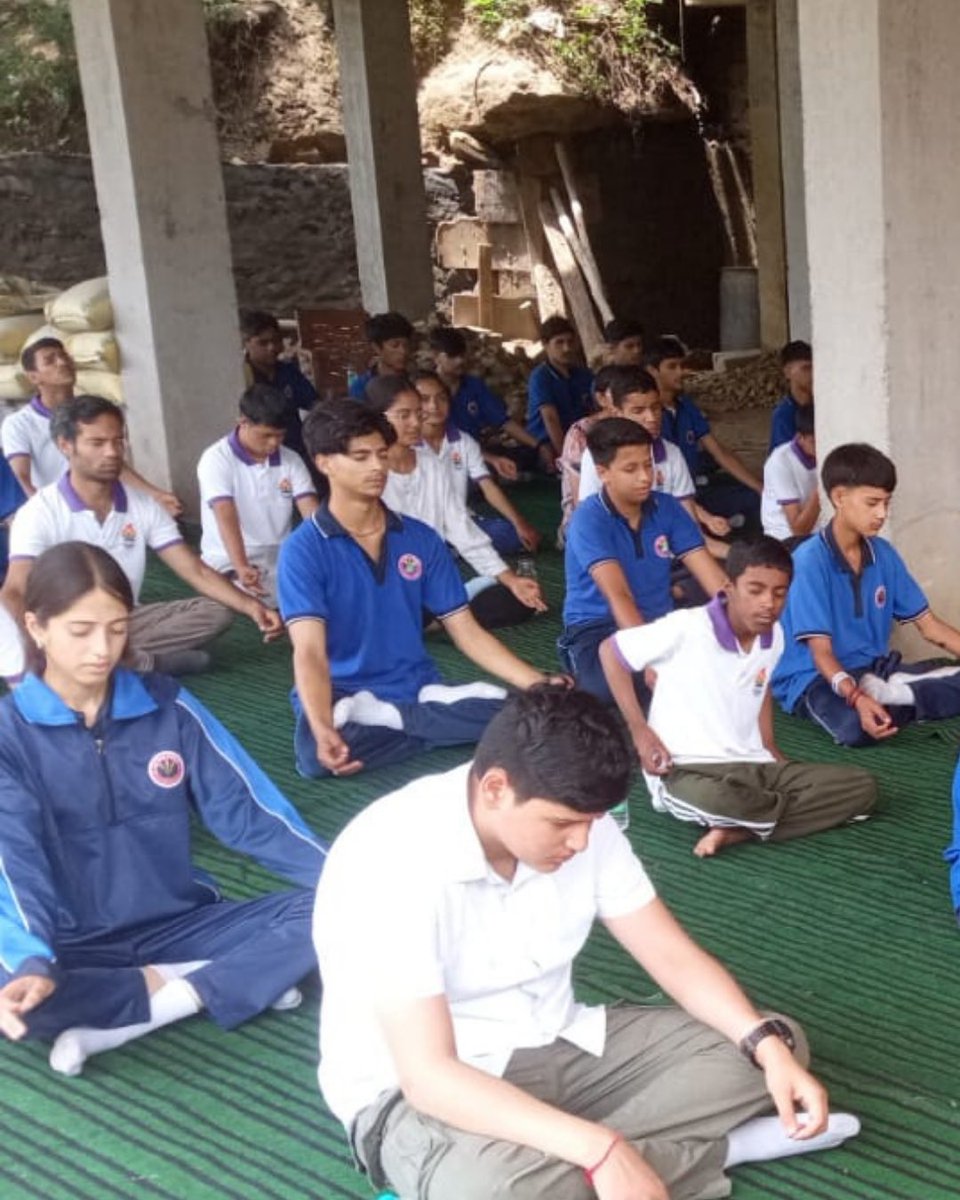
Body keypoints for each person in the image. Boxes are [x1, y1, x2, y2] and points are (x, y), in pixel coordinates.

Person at [314, 685, 860, 1200]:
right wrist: (599, 1147)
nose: (581, 841)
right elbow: (429, 1075)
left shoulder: (585, 827)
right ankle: (713, 1151)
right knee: (495, 1191)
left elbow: (671, 956)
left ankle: (593, 1163)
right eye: (563, 824)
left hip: (559, 1041)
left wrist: (763, 1044)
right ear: (496, 789)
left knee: (773, 1045)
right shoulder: (389, 858)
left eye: (593, 822)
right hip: (414, 1096)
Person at [0, 542, 326, 1077]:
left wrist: (346, 879)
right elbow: (14, 867)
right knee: (17, 990)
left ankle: (167, 998)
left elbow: (250, 813)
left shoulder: (166, 705)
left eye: (117, 628)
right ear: (36, 628)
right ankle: (225, 978)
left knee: (329, 911)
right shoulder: (10, 736)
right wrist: (31, 963)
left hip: (181, 923)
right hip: (73, 943)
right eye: (81, 631)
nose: (102, 649)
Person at [276, 402, 568, 779]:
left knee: (538, 714)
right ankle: (430, 724)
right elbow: (310, 652)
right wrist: (321, 727)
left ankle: (397, 719)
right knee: (314, 756)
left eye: (382, 454)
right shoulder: (303, 550)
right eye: (360, 457)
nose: (377, 467)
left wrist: (537, 683)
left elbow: (465, 629)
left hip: (414, 688)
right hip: (341, 694)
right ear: (324, 462)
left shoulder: (418, 537)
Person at [599, 537, 876, 857]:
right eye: (755, 590)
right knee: (725, 801)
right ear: (729, 588)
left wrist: (769, 747)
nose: (768, 603)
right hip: (687, 771)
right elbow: (611, 652)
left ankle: (740, 829)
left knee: (862, 787)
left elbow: (761, 689)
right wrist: (639, 730)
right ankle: (751, 817)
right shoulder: (687, 627)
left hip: (755, 766)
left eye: (779, 593)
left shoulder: (774, 637)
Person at [1, 395, 283, 680]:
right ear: (66, 446)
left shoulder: (143, 507)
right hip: (62, 625)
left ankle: (109, 661)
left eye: (118, 441)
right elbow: (13, 592)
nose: (112, 452)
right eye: (97, 443)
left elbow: (194, 570)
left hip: (124, 619)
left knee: (217, 612)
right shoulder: (40, 512)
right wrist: (35, 644)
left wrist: (252, 607)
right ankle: (144, 663)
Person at [772, 442, 960, 746]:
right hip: (815, 679)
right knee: (855, 729)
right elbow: (821, 653)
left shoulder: (883, 554)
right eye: (872, 503)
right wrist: (857, 697)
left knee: (882, 709)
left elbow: (932, 628)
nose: (882, 514)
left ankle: (897, 692)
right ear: (839, 497)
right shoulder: (808, 562)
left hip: (873, 669)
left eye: (886, 503)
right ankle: (903, 693)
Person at [560, 418, 726, 704]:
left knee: (715, 668)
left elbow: (712, 576)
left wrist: (750, 628)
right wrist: (647, 658)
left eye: (648, 465)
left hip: (658, 621)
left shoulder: (667, 507)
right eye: (631, 469)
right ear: (603, 473)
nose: (645, 477)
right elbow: (619, 596)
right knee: (606, 689)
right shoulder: (589, 518)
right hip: (597, 627)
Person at [368, 375, 546, 630]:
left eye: (418, 414)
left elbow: (461, 527)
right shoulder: (368, 473)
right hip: (384, 584)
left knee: (518, 600)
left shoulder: (430, 465)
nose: (416, 422)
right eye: (404, 415)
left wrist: (510, 580)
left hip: (428, 582)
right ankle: (438, 616)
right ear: (379, 418)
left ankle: (436, 616)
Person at [4, 336, 182, 514]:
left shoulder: (91, 414)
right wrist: (42, 512)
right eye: (50, 361)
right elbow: (21, 477)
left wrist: (155, 495)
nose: (62, 362)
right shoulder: (19, 424)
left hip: (103, 507)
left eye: (64, 356)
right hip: (57, 513)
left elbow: (113, 464)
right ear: (33, 377)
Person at [197, 383, 319, 607]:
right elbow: (226, 516)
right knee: (235, 598)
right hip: (227, 559)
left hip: (279, 557)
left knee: (320, 587)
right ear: (243, 422)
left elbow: (311, 511)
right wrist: (241, 566)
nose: (274, 443)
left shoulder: (291, 459)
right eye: (266, 435)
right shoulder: (216, 459)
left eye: (280, 436)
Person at [413, 370, 540, 557]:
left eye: (441, 398)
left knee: (511, 535)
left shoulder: (462, 440)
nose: (434, 406)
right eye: (424, 399)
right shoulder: (402, 443)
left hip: (457, 523)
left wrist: (520, 523)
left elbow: (488, 486)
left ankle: (452, 548)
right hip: (416, 526)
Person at [647, 335, 762, 529]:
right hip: (669, 497)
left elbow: (720, 452)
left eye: (682, 366)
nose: (681, 372)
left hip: (694, 487)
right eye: (672, 366)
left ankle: (721, 525)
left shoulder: (686, 406)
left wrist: (761, 488)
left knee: (752, 493)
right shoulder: (649, 417)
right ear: (652, 371)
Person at [428, 326, 546, 477]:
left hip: (478, 453)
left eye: (462, 355)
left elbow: (503, 421)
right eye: (452, 356)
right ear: (436, 356)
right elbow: (442, 441)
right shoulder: (425, 390)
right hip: (445, 457)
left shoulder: (473, 385)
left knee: (526, 456)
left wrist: (539, 445)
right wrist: (492, 460)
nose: (460, 361)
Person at [241, 310, 320, 484]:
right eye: (263, 343)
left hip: (296, 446)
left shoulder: (288, 371)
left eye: (276, 341)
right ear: (246, 343)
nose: (272, 348)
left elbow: (313, 403)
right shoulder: (242, 376)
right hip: (262, 451)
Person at [557, 365, 619, 545]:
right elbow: (582, 505)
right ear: (601, 398)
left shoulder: (638, 430)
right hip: (587, 520)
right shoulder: (581, 433)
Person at [525, 316, 593, 463]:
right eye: (559, 343)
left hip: (578, 438)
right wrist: (566, 459)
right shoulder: (540, 377)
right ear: (545, 344)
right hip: (549, 445)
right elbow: (550, 419)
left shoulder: (583, 374)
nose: (567, 348)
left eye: (570, 342)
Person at [761, 403, 822, 546]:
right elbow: (798, 530)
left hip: (817, 531)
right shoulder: (780, 462)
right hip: (786, 539)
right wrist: (822, 489)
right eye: (814, 442)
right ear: (800, 437)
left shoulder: (826, 451)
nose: (820, 446)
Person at [348, 311, 415, 400]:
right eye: (395, 345)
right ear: (377, 348)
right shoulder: (362, 387)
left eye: (406, 345)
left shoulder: (415, 381)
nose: (403, 351)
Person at [768, 340, 813, 452]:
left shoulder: (821, 406)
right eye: (806, 368)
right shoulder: (783, 416)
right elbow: (792, 457)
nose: (813, 373)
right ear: (787, 372)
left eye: (814, 367)